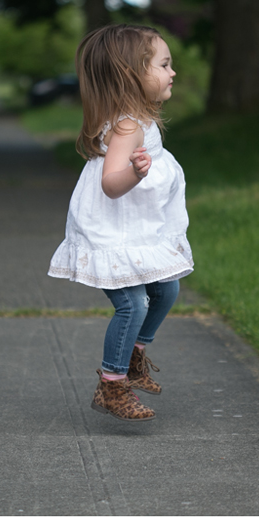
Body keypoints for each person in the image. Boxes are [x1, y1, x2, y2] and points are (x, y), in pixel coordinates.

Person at [48, 24, 193, 422]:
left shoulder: (141, 119)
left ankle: (133, 357)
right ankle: (112, 385)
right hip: (111, 231)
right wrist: (136, 173)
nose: (172, 72)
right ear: (132, 75)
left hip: (134, 229)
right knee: (133, 304)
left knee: (167, 288)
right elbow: (111, 184)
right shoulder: (128, 127)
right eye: (164, 64)